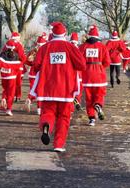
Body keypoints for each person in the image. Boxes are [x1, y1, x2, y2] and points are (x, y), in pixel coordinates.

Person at [31, 23, 86, 152]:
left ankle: (46, 126)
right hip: (66, 89)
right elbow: (82, 65)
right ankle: (59, 145)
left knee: (48, 112)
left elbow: (36, 65)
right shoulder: (70, 47)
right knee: (64, 117)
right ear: (65, 34)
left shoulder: (45, 47)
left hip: (48, 88)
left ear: (53, 34)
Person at [79, 25, 110, 126]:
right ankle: (98, 105)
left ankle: (91, 119)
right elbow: (107, 62)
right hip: (99, 75)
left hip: (86, 76)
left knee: (88, 98)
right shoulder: (102, 47)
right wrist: (100, 67)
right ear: (97, 36)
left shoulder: (82, 47)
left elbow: (79, 62)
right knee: (99, 94)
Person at [0, 40, 23, 116]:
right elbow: (18, 67)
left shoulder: (2, 54)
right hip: (12, 77)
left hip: (4, 76)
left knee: (5, 89)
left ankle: (3, 98)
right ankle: (9, 109)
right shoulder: (16, 55)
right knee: (11, 93)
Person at [25, 36, 47, 114]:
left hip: (32, 74)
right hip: (41, 74)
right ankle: (39, 108)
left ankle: (29, 99)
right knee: (41, 91)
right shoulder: (45, 51)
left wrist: (31, 65)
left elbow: (26, 61)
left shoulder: (32, 51)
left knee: (33, 90)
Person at [10, 32, 26, 102]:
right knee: (18, 82)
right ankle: (18, 96)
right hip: (18, 66)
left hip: (10, 66)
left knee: (11, 82)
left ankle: (12, 95)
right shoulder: (19, 45)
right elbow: (22, 57)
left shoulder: (8, 45)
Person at [70, 32, 83, 111]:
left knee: (70, 90)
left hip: (69, 74)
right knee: (79, 89)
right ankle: (77, 100)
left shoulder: (67, 48)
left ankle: (71, 106)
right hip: (79, 73)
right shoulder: (80, 49)